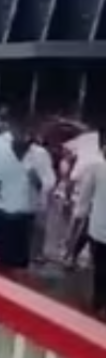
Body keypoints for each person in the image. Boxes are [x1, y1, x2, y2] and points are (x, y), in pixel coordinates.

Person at [0, 118, 55, 272]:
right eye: (20, 129)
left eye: (28, 130)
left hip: (24, 215)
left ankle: (12, 282)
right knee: (1, 254)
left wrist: (38, 181)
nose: (25, 134)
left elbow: (49, 182)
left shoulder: (40, 155)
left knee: (19, 259)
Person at [73, 128, 106, 317]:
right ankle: (99, 304)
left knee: (100, 270)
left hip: (98, 230)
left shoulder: (97, 167)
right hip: (99, 229)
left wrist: (80, 213)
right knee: (100, 269)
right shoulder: (97, 167)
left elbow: (85, 195)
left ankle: (98, 304)